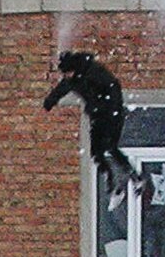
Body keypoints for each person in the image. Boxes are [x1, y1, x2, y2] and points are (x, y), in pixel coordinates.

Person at [43, 50, 141, 207]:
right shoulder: (73, 78)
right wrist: (49, 101)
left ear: (74, 68)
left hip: (111, 115)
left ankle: (134, 178)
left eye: (68, 73)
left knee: (109, 147)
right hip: (98, 117)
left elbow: (113, 87)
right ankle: (113, 184)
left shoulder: (94, 72)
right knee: (96, 153)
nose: (67, 76)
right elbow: (62, 88)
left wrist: (107, 110)